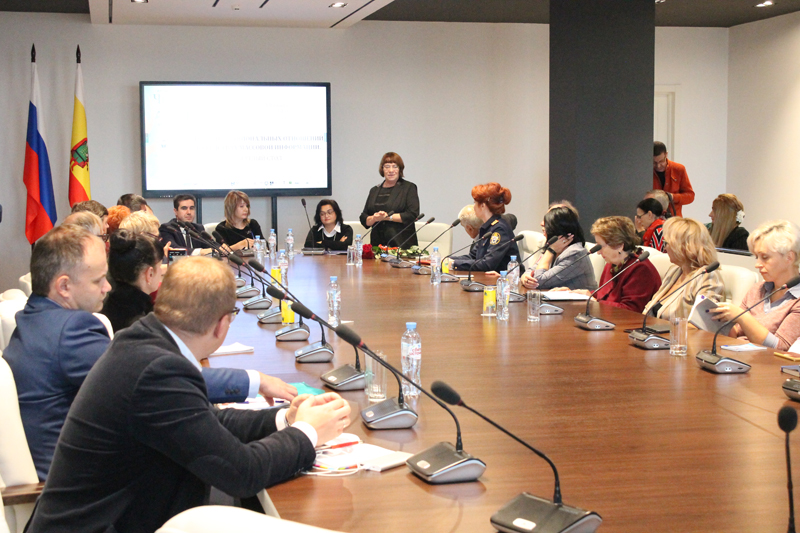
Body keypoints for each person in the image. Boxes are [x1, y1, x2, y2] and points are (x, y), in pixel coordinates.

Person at [25, 256, 350, 533]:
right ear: (222, 325)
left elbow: (209, 423)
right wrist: (308, 432)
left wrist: (286, 418)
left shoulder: (146, 341)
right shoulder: (157, 370)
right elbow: (242, 473)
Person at [3, 226, 289, 481]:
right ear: (64, 286)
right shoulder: (70, 332)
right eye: (98, 280)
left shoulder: (35, 320)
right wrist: (255, 382)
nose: (107, 287)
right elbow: (156, 379)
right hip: (93, 490)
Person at [710, 220, 800, 350]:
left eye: (765, 257)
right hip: (736, 355)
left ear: (789, 258)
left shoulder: (797, 301)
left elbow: (781, 348)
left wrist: (742, 317)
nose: (757, 264)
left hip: (766, 361)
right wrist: (718, 322)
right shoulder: (757, 289)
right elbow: (736, 332)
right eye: (757, 257)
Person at [570, 216, 661, 313]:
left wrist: (594, 302)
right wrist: (584, 294)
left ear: (619, 245)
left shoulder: (640, 269)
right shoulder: (612, 264)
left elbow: (630, 311)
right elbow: (604, 296)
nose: (598, 252)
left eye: (601, 246)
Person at [642, 218, 725, 321]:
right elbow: (649, 309)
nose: (665, 248)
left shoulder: (707, 276)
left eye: (666, 243)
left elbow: (704, 322)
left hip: (680, 332)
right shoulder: (674, 271)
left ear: (683, 246)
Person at [446, 183, 523, 273]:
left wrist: (454, 264)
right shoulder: (487, 227)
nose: (474, 207)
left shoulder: (499, 229)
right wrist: (447, 260)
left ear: (483, 205)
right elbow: (473, 256)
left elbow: (488, 264)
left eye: (475, 203)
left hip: (506, 280)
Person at [520, 206, 597, 291]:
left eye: (547, 229)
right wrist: (525, 277)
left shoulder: (575, 254)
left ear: (556, 231)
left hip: (579, 300)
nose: (544, 234)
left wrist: (550, 251)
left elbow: (538, 281)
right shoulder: (557, 248)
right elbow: (533, 269)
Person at [101, 230, 165, 332]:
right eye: (160, 266)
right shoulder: (141, 327)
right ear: (150, 274)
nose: (161, 271)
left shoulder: (108, 303)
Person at [359, 152, 420, 247]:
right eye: (387, 166)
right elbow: (363, 218)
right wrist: (374, 218)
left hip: (401, 245)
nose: (391, 170)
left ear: (400, 169)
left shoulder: (408, 187)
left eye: (395, 166)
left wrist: (387, 217)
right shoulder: (374, 190)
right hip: (377, 245)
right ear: (382, 169)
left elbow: (412, 215)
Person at [653, 141, 694, 217]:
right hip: (653, 218)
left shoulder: (679, 169)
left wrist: (672, 197)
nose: (658, 166)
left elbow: (690, 196)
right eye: (654, 162)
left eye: (661, 161)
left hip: (674, 219)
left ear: (666, 154)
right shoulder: (645, 171)